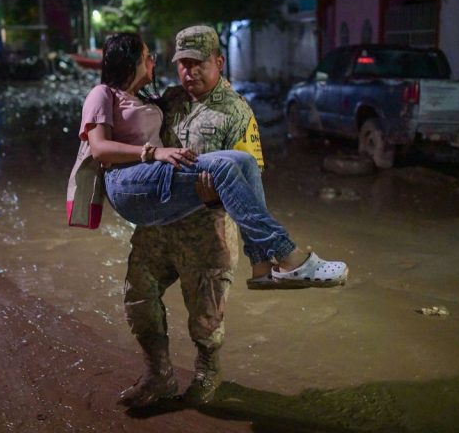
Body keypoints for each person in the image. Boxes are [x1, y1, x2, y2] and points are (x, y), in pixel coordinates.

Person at [78, 27, 348, 407]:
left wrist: (213, 200)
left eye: (197, 64)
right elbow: (122, 121)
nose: (188, 72)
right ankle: (158, 375)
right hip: (157, 228)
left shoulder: (237, 111)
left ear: (219, 62)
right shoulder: (167, 100)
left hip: (207, 232)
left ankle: (207, 372)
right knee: (138, 300)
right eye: (182, 64)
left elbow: (250, 179)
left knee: (206, 317)